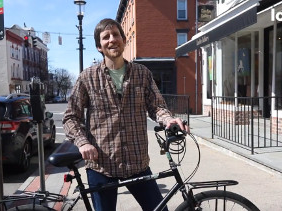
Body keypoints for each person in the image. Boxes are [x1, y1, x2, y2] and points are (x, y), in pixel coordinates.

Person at [63, 18, 189, 211]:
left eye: (116, 34)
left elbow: (157, 106)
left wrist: (168, 119)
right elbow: (71, 117)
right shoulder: (87, 78)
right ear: (99, 46)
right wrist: (83, 142)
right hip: (102, 165)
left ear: (124, 39)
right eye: (106, 37)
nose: (112, 39)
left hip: (136, 163)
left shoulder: (142, 73)